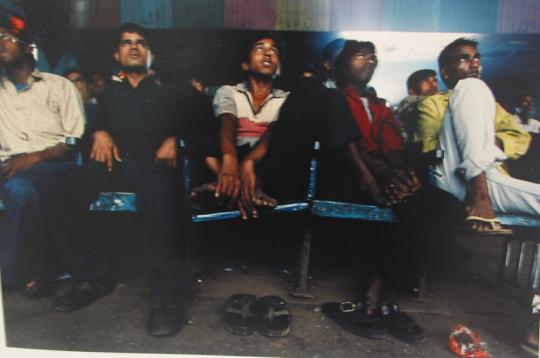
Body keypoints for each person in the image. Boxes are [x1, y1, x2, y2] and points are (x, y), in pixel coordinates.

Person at [52, 23, 190, 337]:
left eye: (140, 42)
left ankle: (164, 295)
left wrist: (174, 137)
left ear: (149, 52)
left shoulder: (167, 89)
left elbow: (195, 118)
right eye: (127, 42)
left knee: (162, 200)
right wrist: (99, 132)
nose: (133, 47)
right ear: (117, 53)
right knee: (65, 186)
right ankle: (92, 277)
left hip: (154, 165)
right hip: (115, 165)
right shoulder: (108, 93)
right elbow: (89, 126)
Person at [414, 38, 540, 234]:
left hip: (492, 177)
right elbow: (430, 151)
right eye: (464, 59)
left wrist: (491, 144)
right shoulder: (432, 104)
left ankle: (481, 192)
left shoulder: (488, 101)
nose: (474, 63)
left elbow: (521, 136)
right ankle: (479, 195)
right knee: (470, 86)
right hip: (452, 180)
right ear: (446, 72)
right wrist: (485, 143)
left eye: (476, 59)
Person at [0, 9, 85, 294]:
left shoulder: (59, 87)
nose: (0, 43)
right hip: (7, 170)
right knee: (19, 186)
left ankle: (19, 273)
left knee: (23, 189)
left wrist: (32, 159)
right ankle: (42, 267)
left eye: (6, 37)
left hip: (53, 167)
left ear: (26, 45)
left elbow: (72, 141)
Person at [197, 34, 288, 206]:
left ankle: (229, 188)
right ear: (245, 64)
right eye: (260, 48)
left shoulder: (287, 99)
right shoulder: (229, 91)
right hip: (230, 156)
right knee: (205, 123)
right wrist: (230, 160)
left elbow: (277, 134)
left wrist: (249, 163)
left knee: (283, 136)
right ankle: (232, 182)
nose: (267, 53)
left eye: (273, 50)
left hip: (265, 160)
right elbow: (228, 121)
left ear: (279, 69)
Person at [396, 69, 439, 142]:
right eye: (425, 82)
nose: (434, 85)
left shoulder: (441, 103)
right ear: (411, 91)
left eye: (435, 81)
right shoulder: (411, 109)